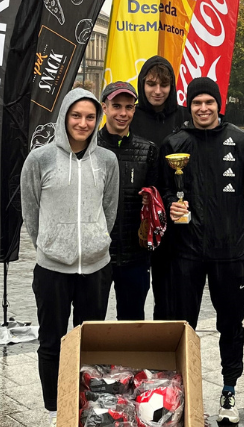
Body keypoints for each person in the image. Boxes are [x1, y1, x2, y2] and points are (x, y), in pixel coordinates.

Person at [159, 77, 244, 425]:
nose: (203, 108)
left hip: (230, 252)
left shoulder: (240, 141)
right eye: (197, 103)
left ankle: (228, 390)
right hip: (187, 253)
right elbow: (163, 194)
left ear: (218, 104)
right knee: (183, 325)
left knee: (231, 324)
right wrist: (170, 205)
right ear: (188, 106)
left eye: (209, 102)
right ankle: (180, 391)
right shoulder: (174, 143)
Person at [20, 88, 120, 427]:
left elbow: (109, 210)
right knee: (51, 344)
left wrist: (95, 240)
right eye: (76, 115)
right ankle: (55, 415)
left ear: (98, 120)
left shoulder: (107, 160)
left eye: (90, 117)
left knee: (90, 344)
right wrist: (50, 244)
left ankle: (90, 414)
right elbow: (30, 212)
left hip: (95, 268)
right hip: (52, 269)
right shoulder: (40, 159)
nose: (83, 123)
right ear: (64, 117)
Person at [129, 56, 189, 320]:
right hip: (138, 218)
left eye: (164, 85)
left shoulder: (185, 116)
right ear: (142, 84)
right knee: (133, 294)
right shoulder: (131, 116)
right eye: (151, 84)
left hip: (176, 217)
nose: (157, 91)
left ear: (172, 86)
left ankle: (165, 349)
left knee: (170, 294)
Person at [97, 81, 159, 320]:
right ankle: (93, 360)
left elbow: (158, 201)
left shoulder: (148, 150)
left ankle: (128, 360)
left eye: (129, 107)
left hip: (135, 256)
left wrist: (152, 201)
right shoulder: (90, 148)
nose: (122, 113)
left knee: (133, 323)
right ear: (104, 107)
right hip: (97, 255)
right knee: (91, 321)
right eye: (116, 106)